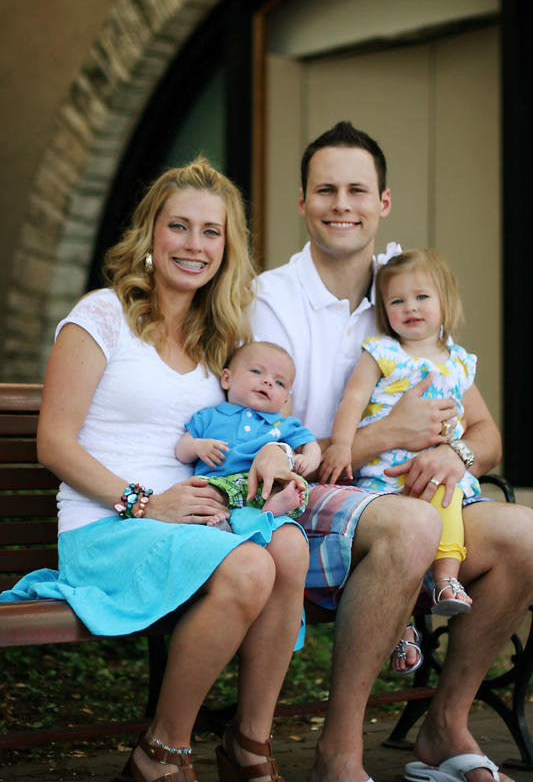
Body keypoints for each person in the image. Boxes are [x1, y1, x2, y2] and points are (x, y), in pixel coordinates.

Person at [0, 158, 310, 782]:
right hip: (107, 527)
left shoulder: (217, 340)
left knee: (291, 547)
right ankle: (163, 752)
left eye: (211, 232)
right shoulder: (101, 316)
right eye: (179, 226)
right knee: (251, 565)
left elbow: (254, 426)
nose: (195, 245)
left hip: (189, 526)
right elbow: (53, 444)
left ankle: (249, 744)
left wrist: (277, 452)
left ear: (227, 248)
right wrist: (145, 502)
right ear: (151, 234)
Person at [251, 121, 533, 782]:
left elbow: (486, 433)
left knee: (525, 534)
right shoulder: (270, 301)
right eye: (326, 190)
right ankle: (338, 752)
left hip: (407, 497)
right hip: (302, 500)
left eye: (357, 190)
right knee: (411, 525)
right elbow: (270, 454)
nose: (341, 204)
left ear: (382, 202)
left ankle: (445, 724)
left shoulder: (407, 290)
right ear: (302, 202)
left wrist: (456, 455)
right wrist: (389, 434)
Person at [320, 249, 477, 617]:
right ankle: (399, 623)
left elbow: (466, 418)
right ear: (384, 310)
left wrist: (454, 441)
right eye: (397, 301)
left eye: (422, 296)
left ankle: (446, 579)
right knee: (399, 540)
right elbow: (353, 399)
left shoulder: (458, 361)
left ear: (445, 301)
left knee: (448, 501)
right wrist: (341, 444)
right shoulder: (383, 352)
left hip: (435, 471)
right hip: (385, 471)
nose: (411, 307)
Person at [175, 340, 321, 532]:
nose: (268, 382)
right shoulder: (209, 416)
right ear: (227, 379)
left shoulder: (283, 424)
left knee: (293, 485)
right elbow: (181, 451)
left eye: (279, 383)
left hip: (262, 485)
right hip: (220, 484)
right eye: (256, 371)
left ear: (285, 399)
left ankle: (275, 506)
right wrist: (197, 446)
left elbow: (310, 444)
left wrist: (308, 459)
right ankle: (219, 521)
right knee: (202, 493)